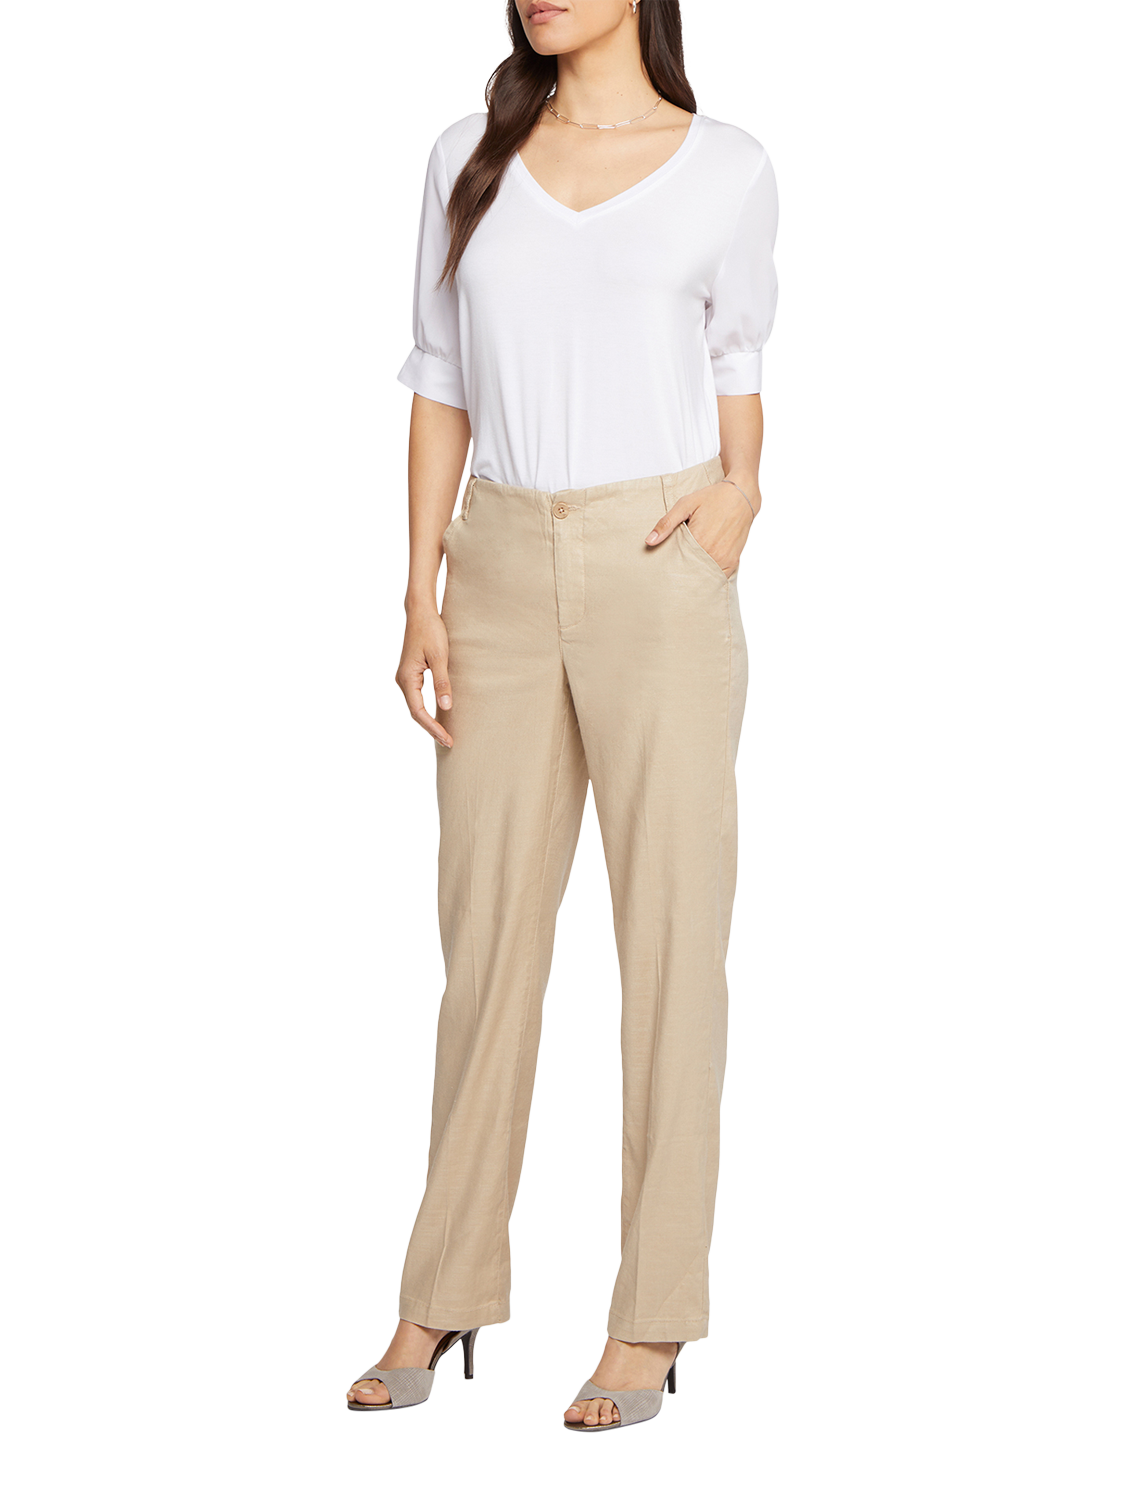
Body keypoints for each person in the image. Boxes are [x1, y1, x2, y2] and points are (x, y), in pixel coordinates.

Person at [347, 0, 778, 1431]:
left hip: (659, 557)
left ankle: (652, 1318)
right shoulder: (466, 155)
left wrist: (741, 494)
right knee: (484, 947)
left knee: (671, 945)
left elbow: (738, 361)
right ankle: (445, 1285)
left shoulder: (726, 165)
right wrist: (421, 591)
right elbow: (439, 378)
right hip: (496, 567)